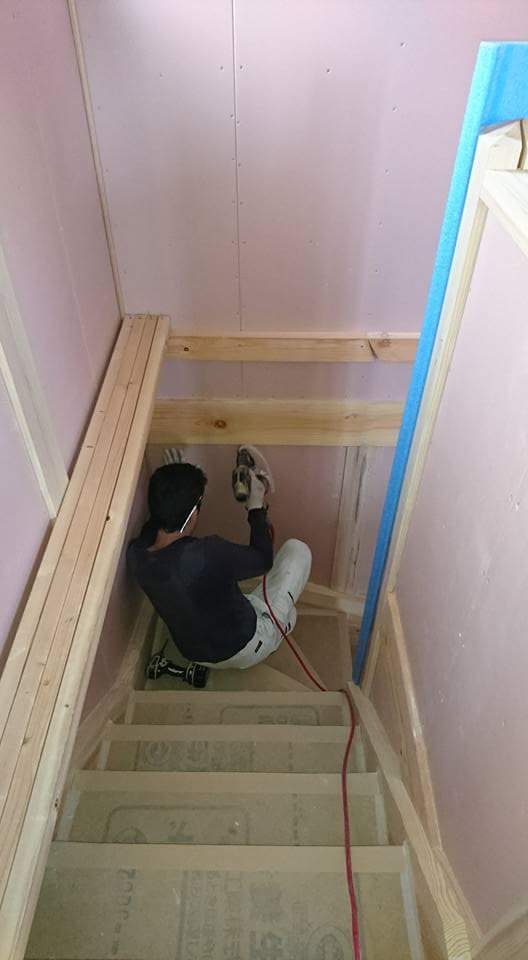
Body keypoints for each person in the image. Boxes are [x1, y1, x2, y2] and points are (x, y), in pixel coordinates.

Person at [127, 460, 311, 669]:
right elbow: (263, 560)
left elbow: (157, 528)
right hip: (245, 646)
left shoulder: (136, 554)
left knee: (238, 598)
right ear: (192, 513)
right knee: (297, 552)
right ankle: (276, 632)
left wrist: (174, 490)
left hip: (192, 651)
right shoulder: (208, 554)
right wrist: (256, 507)